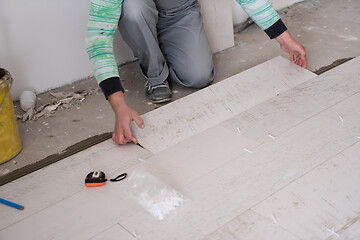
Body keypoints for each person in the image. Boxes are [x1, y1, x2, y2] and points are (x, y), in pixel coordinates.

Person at [86, 0, 307, 145]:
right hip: (139, 11)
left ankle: (165, 42)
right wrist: (119, 106)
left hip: (179, 10)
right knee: (133, 10)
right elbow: (98, 39)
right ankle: (155, 74)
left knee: (199, 76)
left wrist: (284, 39)